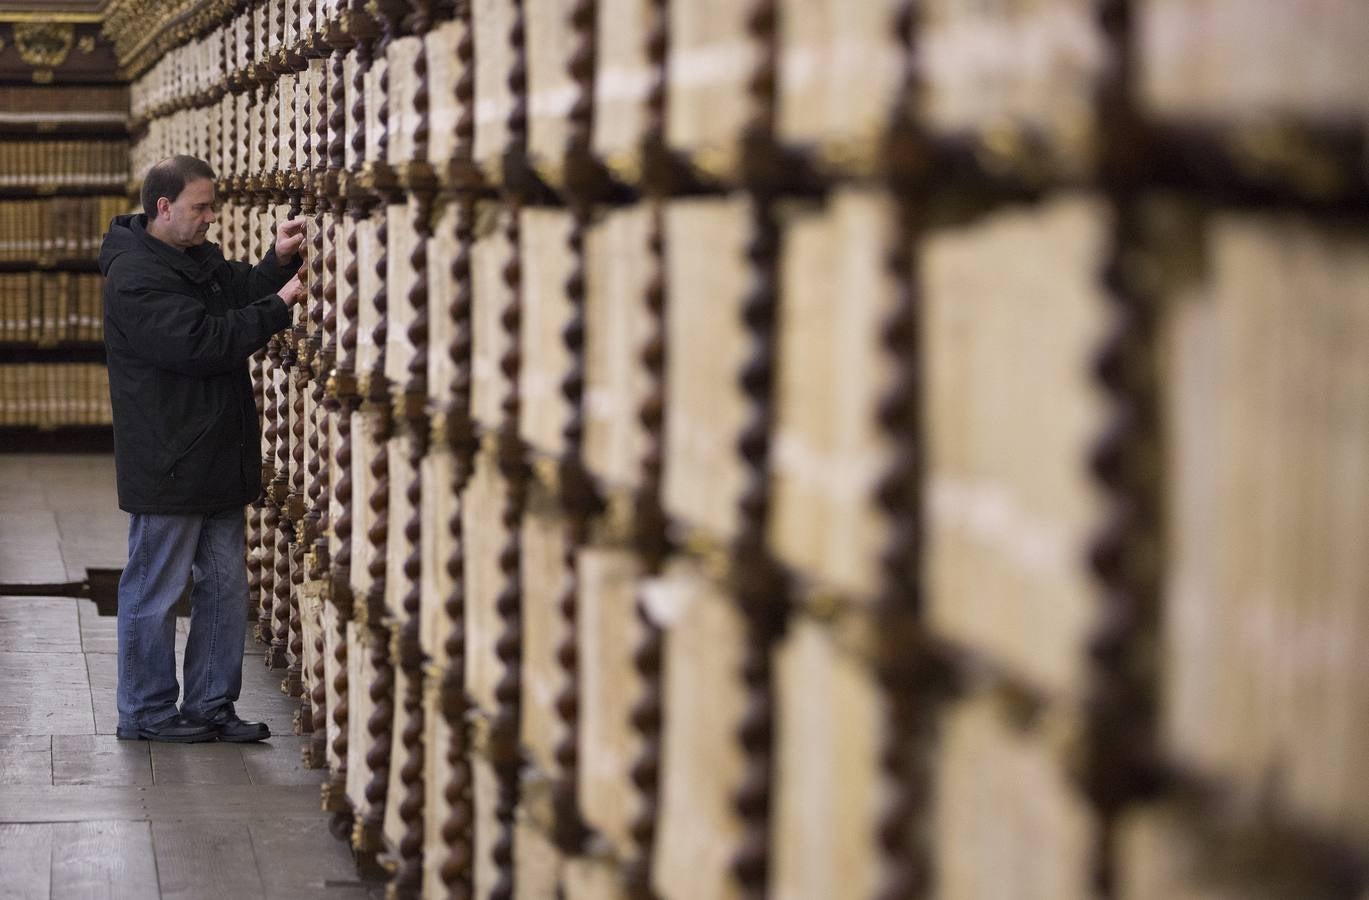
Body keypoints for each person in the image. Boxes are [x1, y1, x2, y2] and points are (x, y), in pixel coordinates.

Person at [100, 155, 305, 743]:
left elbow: (234, 290)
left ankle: (212, 703)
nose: (211, 218)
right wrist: (282, 303)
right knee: (156, 589)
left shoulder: (188, 258)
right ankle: (145, 711)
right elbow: (201, 342)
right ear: (164, 208)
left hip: (215, 453)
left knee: (223, 587)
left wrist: (276, 263)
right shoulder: (136, 275)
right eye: (202, 207)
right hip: (170, 460)